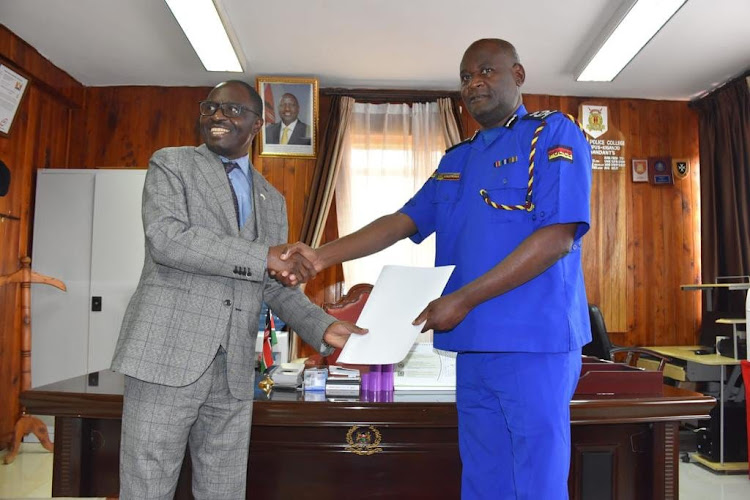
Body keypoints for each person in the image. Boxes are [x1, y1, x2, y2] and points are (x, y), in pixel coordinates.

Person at [282, 39, 592, 499]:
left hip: (533, 342)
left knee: (536, 480)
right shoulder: (456, 159)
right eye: (466, 77)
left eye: (486, 71)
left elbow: (558, 236)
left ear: (519, 75)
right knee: (484, 476)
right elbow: (403, 221)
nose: (474, 84)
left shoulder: (552, 134)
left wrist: (462, 299)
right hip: (470, 345)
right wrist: (321, 256)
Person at [111, 80, 366, 499]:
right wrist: (265, 254)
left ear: (258, 124)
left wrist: (323, 328)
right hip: (165, 356)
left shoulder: (273, 199)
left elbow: (275, 284)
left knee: (224, 487)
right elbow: (167, 239)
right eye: (210, 108)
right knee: (147, 485)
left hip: (233, 371)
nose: (217, 116)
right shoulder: (172, 164)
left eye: (231, 111)